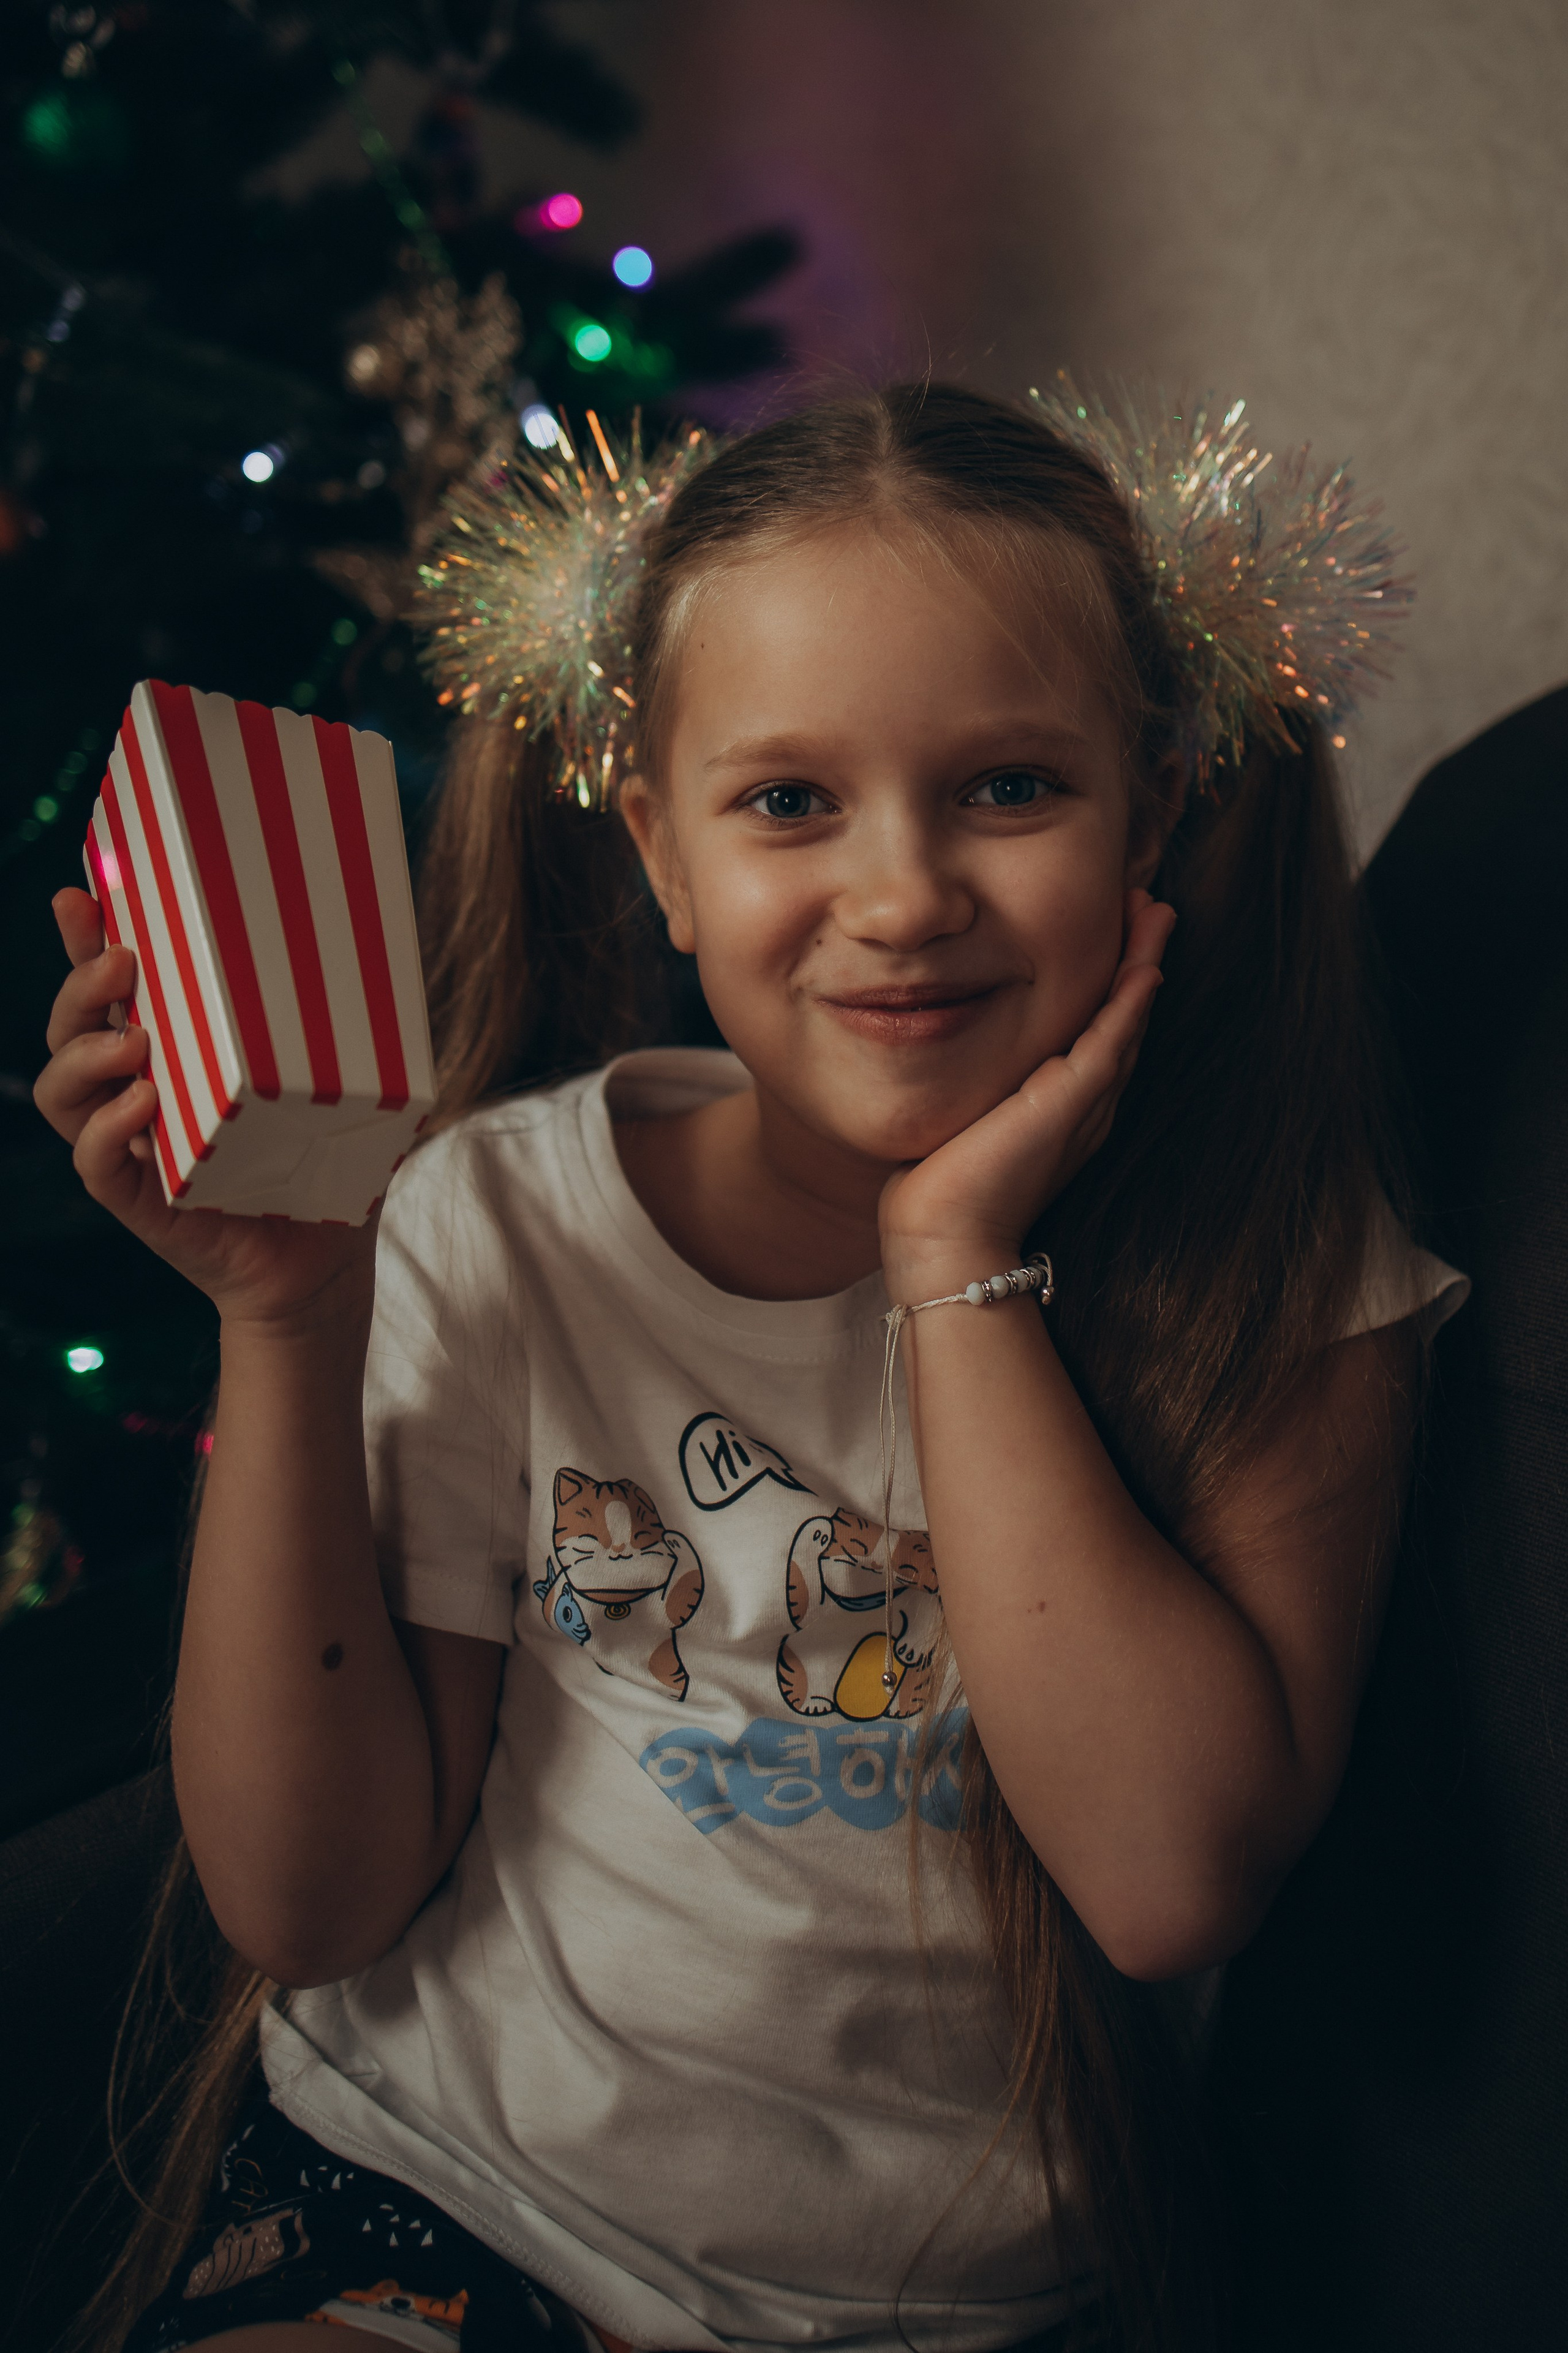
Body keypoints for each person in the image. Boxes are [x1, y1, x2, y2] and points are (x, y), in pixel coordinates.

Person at [34, 380, 1465, 2353]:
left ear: (1159, 801)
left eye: (1009, 787)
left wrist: (951, 1260)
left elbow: (1165, 1881)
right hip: (428, 2198)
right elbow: (313, 1898)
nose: (901, 896)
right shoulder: (497, 1218)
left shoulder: (1282, 1276)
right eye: (792, 800)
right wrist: (287, 1321)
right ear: (665, 854)